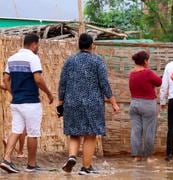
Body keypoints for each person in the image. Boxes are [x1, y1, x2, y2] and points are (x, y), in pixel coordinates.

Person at [59, 33, 120, 175]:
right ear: (92, 45)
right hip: (92, 104)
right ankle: (86, 167)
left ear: (78, 44)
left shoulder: (69, 61)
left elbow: (62, 83)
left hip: (71, 102)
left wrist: (60, 102)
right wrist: (114, 103)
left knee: (74, 132)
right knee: (90, 134)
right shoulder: (97, 61)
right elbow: (104, 84)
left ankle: (72, 156)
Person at [0, 34, 54, 173]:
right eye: (38, 45)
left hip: (16, 102)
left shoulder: (11, 59)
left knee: (16, 130)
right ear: (34, 44)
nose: (38, 48)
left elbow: (6, 79)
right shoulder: (33, 58)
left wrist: (13, 93)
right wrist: (48, 93)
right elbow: (38, 79)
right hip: (30, 102)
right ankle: (31, 165)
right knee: (32, 133)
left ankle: (6, 159)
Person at [129, 51, 162, 163]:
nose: (149, 62)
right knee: (149, 131)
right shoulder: (148, 73)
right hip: (147, 104)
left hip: (134, 104)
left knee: (136, 131)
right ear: (145, 61)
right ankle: (149, 156)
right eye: (148, 60)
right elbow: (159, 82)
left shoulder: (132, 73)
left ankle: (136, 156)